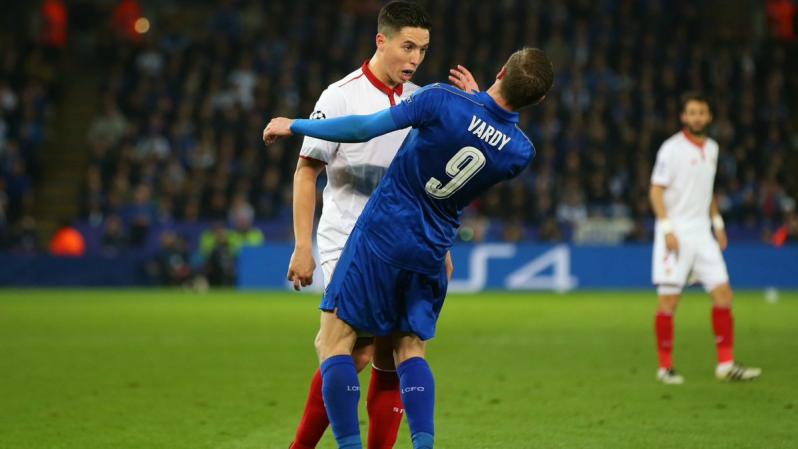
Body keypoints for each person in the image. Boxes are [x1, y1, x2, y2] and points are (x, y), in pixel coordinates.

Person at [264, 47, 553, 449]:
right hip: (433, 249)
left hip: (382, 237)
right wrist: (477, 105)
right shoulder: (520, 152)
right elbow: (480, 133)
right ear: (537, 100)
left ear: (501, 69)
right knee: (408, 349)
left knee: (334, 343)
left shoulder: (439, 98)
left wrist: (294, 125)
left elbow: (363, 129)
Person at [285, 3, 477, 448]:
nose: (414, 59)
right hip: (346, 240)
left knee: (386, 353)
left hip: (403, 244)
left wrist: (439, 247)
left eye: (423, 50)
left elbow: (431, 180)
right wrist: (302, 246)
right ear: (381, 41)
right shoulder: (341, 96)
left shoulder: (418, 99)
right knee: (355, 351)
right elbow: (306, 171)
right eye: (407, 46)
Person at [649, 93, 761, 384]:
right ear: (684, 117)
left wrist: (717, 223)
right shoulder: (671, 149)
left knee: (724, 294)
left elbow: (707, 190)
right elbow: (656, 191)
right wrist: (666, 229)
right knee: (669, 302)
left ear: (709, 117)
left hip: (703, 233)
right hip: (676, 232)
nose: (697, 117)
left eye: (702, 112)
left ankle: (725, 365)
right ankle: (665, 368)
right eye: (692, 112)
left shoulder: (712, 148)